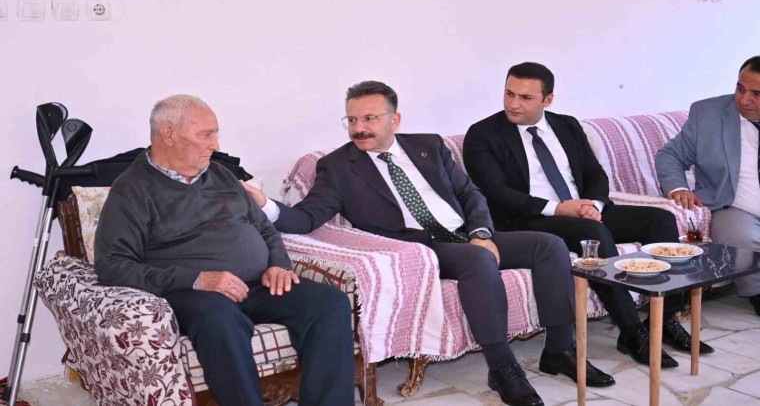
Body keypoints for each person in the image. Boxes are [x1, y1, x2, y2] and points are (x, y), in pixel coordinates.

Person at [246, 81, 614, 406]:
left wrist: (481, 233)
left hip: (466, 234)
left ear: (395, 119)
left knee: (549, 245)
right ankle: (502, 368)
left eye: (370, 118)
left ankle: (560, 350)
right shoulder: (338, 166)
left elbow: (470, 194)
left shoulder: (428, 146)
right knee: (478, 261)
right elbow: (306, 217)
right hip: (422, 248)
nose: (359, 128)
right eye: (352, 119)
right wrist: (265, 204)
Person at [94, 95, 355, 406]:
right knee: (220, 321)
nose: (215, 145)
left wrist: (278, 264)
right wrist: (198, 279)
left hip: (259, 284)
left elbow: (265, 228)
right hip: (194, 293)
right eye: (206, 134)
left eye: (215, 134)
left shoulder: (221, 175)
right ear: (169, 133)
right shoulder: (132, 189)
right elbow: (112, 265)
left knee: (329, 303)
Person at [463, 62, 714, 369]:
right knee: (593, 234)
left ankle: (664, 321)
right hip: (531, 217)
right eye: (509, 94)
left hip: (581, 210)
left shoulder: (566, 125)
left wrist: (592, 204)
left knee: (660, 220)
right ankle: (632, 333)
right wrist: (560, 208)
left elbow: (595, 174)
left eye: (526, 97)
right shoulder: (482, 134)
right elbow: (496, 193)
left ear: (548, 99)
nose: (514, 104)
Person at [656, 56, 760, 315]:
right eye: (740, 89)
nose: (744, 100)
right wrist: (678, 187)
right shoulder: (707, 114)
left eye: (756, 94)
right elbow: (670, 155)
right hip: (734, 207)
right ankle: (757, 293)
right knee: (738, 236)